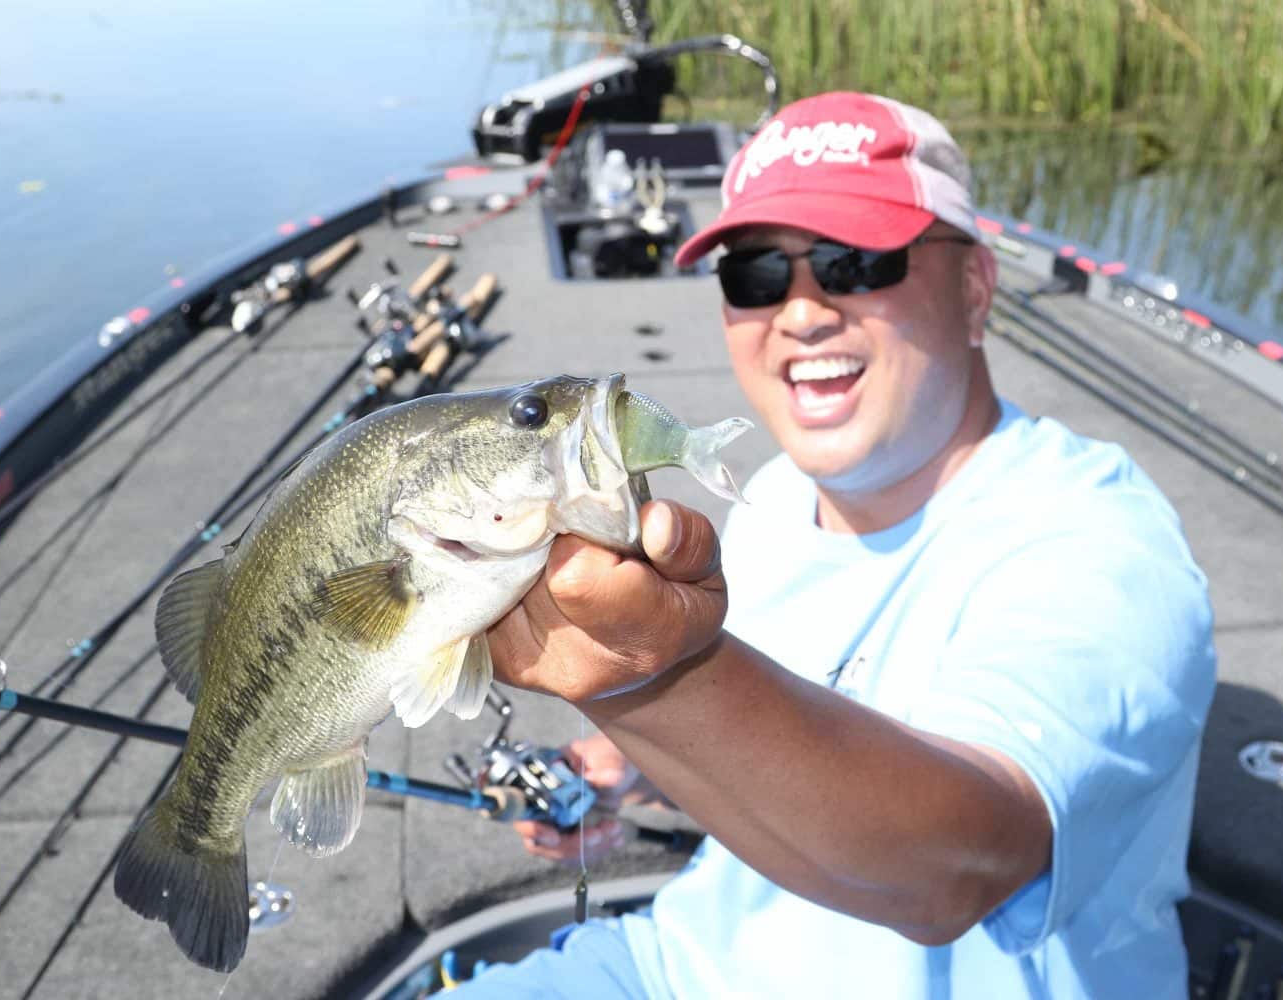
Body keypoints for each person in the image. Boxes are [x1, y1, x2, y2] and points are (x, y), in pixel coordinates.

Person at [467, 91, 1217, 998]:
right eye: (755, 275)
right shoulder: (776, 499)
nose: (801, 311)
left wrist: (649, 678)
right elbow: (785, 754)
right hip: (680, 968)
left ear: (974, 288)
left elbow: (954, 868)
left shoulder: (1098, 543)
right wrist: (637, 773)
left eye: (855, 260)